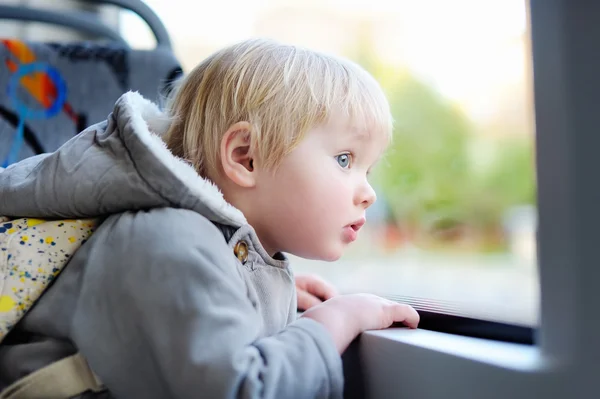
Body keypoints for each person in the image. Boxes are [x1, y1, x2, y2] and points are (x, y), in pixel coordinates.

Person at [0, 38, 419, 398]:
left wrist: (256, 292)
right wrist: (336, 320)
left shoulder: (206, 246)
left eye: (368, 168)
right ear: (244, 157)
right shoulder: (165, 239)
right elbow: (239, 389)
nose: (368, 193)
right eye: (345, 159)